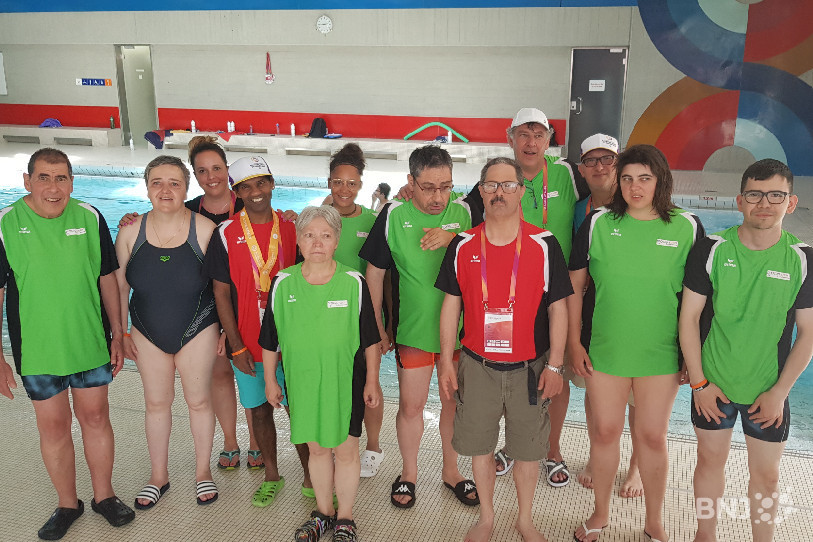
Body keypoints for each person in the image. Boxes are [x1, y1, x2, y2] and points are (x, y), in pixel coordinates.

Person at [568, 145, 704, 542]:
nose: (634, 186)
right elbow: (575, 287)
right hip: (606, 350)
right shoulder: (597, 224)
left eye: (644, 177)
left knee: (650, 435)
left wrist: (689, 358)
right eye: (626, 178)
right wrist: (575, 342)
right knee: (605, 432)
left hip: (660, 353)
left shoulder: (687, 227)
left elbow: (700, 300)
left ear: (661, 180)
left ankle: (654, 520)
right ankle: (600, 514)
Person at [0, 148, 134, 540]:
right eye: (44, 177)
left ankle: (104, 496)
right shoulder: (7, 223)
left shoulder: (89, 216)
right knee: (54, 426)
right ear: (27, 181)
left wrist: (119, 334)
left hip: (89, 341)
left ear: (73, 182)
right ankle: (66, 503)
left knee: (95, 419)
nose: (53, 188)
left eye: (62, 178)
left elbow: (108, 279)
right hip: (37, 350)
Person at [436, 157, 571, 542]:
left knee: (529, 450)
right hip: (478, 366)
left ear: (521, 192)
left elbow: (558, 307)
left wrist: (556, 366)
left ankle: (525, 519)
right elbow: (451, 305)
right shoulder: (462, 245)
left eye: (508, 185)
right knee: (480, 446)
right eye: (491, 185)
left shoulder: (544, 245)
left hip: (531, 366)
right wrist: (447, 362)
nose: (499, 192)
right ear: (480, 191)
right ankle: (487, 518)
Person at [680, 159, 813, 542]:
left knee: (767, 475)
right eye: (755, 194)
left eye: (776, 195)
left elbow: (807, 334)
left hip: (768, 389)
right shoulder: (712, 249)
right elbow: (689, 319)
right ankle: (704, 536)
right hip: (714, 386)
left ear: (791, 202)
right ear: (740, 200)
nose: (764, 203)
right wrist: (700, 383)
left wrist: (779, 393)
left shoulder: (803, 259)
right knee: (708, 461)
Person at [119, 137, 264, 471]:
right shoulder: (192, 208)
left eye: (216, 168)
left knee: (248, 373)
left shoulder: (249, 204)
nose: (210, 176)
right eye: (202, 171)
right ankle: (230, 441)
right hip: (204, 316)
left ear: (228, 172)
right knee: (220, 377)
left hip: (238, 310)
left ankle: (256, 439)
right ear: (194, 179)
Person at [466, 108, 588, 486]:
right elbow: (464, 213)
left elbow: (604, 190)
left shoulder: (566, 173)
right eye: (523, 134)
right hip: (508, 297)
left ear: (550, 139)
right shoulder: (497, 179)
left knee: (558, 370)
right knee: (510, 376)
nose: (531, 142)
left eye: (538, 134)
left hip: (557, 293)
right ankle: (512, 445)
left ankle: (551, 448)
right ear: (510, 137)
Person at [359, 145, 477, 509]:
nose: (439, 197)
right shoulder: (394, 215)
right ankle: (408, 473)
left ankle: (451, 470)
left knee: (453, 405)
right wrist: (378, 324)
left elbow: (495, 245)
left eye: (446, 186)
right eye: (428, 187)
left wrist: (454, 237)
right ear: (410, 182)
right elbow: (374, 274)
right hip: (413, 331)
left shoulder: (466, 212)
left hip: (461, 332)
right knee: (411, 406)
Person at [260, 205, 383, 542]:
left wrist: (372, 379)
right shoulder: (283, 283)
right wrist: (271, 380)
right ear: (299, 241)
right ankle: (323, 513)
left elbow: (370, 338)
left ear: (336, 240)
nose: (317, 242)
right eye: (309, 235)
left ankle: (345, 517)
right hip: (303, 383)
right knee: (316, 451)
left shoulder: (353, 282)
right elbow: (270, 340)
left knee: (345, 451)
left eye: (325, 235)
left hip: (346, 382)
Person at [204, 155, 310, 508]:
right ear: (236, 192)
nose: (255, 192)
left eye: (261, 182)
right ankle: (271, 475)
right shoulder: (225, 234)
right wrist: (235, 345)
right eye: (245, 186)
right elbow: (220, 292)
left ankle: (312, 477)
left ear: (272, 183)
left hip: (293, 343)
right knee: (261, 410)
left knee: (300, 411)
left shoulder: (295, 229)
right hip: (247, 344)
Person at [115, 155, 220, 508]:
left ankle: (203, 472)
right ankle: (158, 476)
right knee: (156, 403)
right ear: (146, 188)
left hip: (198, 328)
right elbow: (118, 288)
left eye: (174, 183)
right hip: (146, 330)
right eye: (157, 182)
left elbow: (224, 287)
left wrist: (225, 333)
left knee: (199, 400)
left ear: (186, 189)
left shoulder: (205, 230)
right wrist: (122, 333)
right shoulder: (130, 232)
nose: (165, 189)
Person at [570, 134, 643, 499]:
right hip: (592, 315)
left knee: (637, 397)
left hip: (635, 316)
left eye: (608, 160)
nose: (600, 167)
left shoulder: (638, 204)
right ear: (581, 169)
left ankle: (635, 468)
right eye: (591, 161)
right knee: (592, 390)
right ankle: (594, 455)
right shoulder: (579, 210)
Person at [325, 143, 387, 478]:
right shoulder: (318, 218)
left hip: (361, 320)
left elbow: (382, 277)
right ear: (329, 183)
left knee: (369, 387)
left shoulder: (371, 220)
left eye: (351, 182)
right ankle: (339, 443)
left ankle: (374, 446)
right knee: (336, 386)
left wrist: (381, 327)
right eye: (338, 181)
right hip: (327, 320)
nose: (344, 189)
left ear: (361, 185)